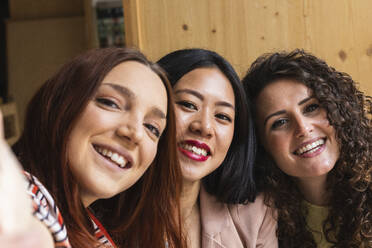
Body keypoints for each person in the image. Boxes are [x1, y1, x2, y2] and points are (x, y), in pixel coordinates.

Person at [0, 47, 185, 248]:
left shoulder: (95, 226)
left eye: (152, 127)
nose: (135, 133)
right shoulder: (21, 198)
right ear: (60, 105)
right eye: (111, 103)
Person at [242, 49, 372, 247]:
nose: (303, 128)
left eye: (311, 108)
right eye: (280, 122)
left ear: (339, 109)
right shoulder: (258, 218)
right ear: (261, 145)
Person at [157, 48, 278, 248]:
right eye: (188, 104)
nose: (204, 127)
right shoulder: (103, 211)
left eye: (222, 116)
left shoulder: (256, 214)